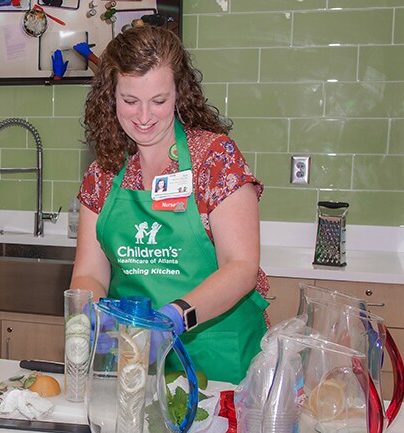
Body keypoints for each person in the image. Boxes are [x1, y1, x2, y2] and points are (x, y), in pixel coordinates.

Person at [69, 26, 269, 384]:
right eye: (130, 101)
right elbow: (90, 273)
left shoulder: (214, 159)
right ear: (109, 97)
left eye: (158, 101)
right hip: (134, 362)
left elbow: (240, 266)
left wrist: (174, 318)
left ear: (179, 94)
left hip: (217, 358)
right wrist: (94, 318)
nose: (144, 116)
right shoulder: (103, 175)